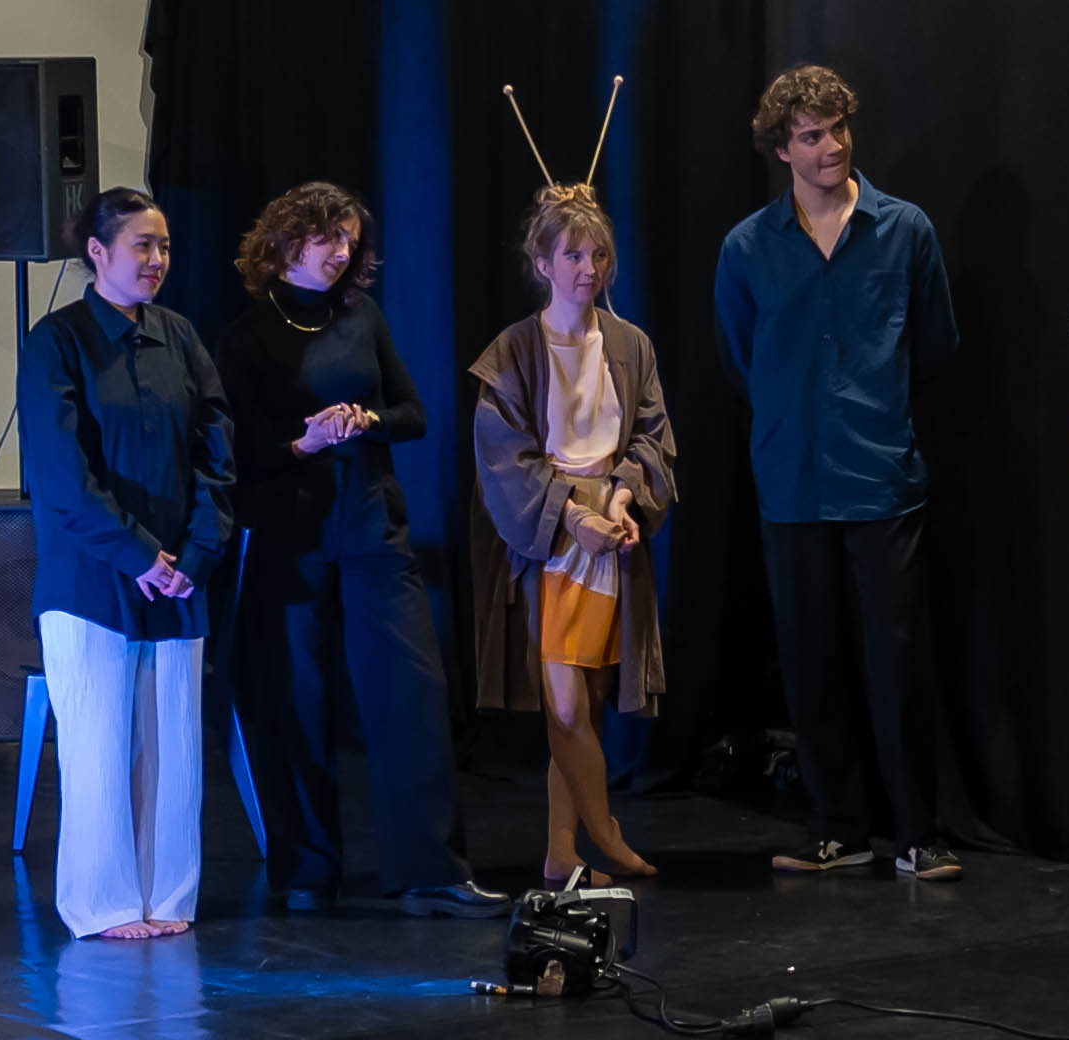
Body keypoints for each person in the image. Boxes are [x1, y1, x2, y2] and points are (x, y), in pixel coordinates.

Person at [716, 63, 963, 879]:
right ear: (781, 150)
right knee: (810, 661)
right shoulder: (746, 247)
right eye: (813, 135)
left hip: (879, 475)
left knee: (897, 663)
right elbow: (739, 359)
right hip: (791, 479)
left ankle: (917, 832)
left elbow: (935, 347)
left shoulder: (905, 229)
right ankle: (837, 829)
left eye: (839, 128)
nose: (832, 146)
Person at [215, 181, 480, 916]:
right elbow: (236, 452)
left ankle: (431, 870)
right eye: (327, 237)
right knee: (295, 703)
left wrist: (367, 420)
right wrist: (303, 443)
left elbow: (414, 413)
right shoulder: (245, 336)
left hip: (369, 524)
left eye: (348, 240)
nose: (340, 252)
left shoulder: (362, 317)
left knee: (410, 694)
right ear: (286, 241)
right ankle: (306, 871)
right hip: (289, 536)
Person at [19, 184, 232, 941]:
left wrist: (196, 551)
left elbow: (215, 448)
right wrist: (139, 554)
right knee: (100, 746)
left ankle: (168, 893)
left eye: (164, 246)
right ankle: (102, 902)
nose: (157, 259)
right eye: (142, 245)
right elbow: (60, 474)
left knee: (172, 746)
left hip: (179, 575)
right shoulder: (58, 341)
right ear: (97, 251)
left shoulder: (180, 336)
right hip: (92, 575)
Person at [475, 187, 675, 891]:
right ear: (542, 263)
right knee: (562, 705)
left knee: (585, 703)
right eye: (572, 256)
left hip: (612, 535)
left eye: (598, 256)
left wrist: (620, 497)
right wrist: (574, 518)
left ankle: (561, 851)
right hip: (551, 536)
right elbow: (504, 457)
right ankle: (605, 829)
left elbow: (651, 436)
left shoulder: (629, 344)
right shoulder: (514, 351)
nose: (588, 269)